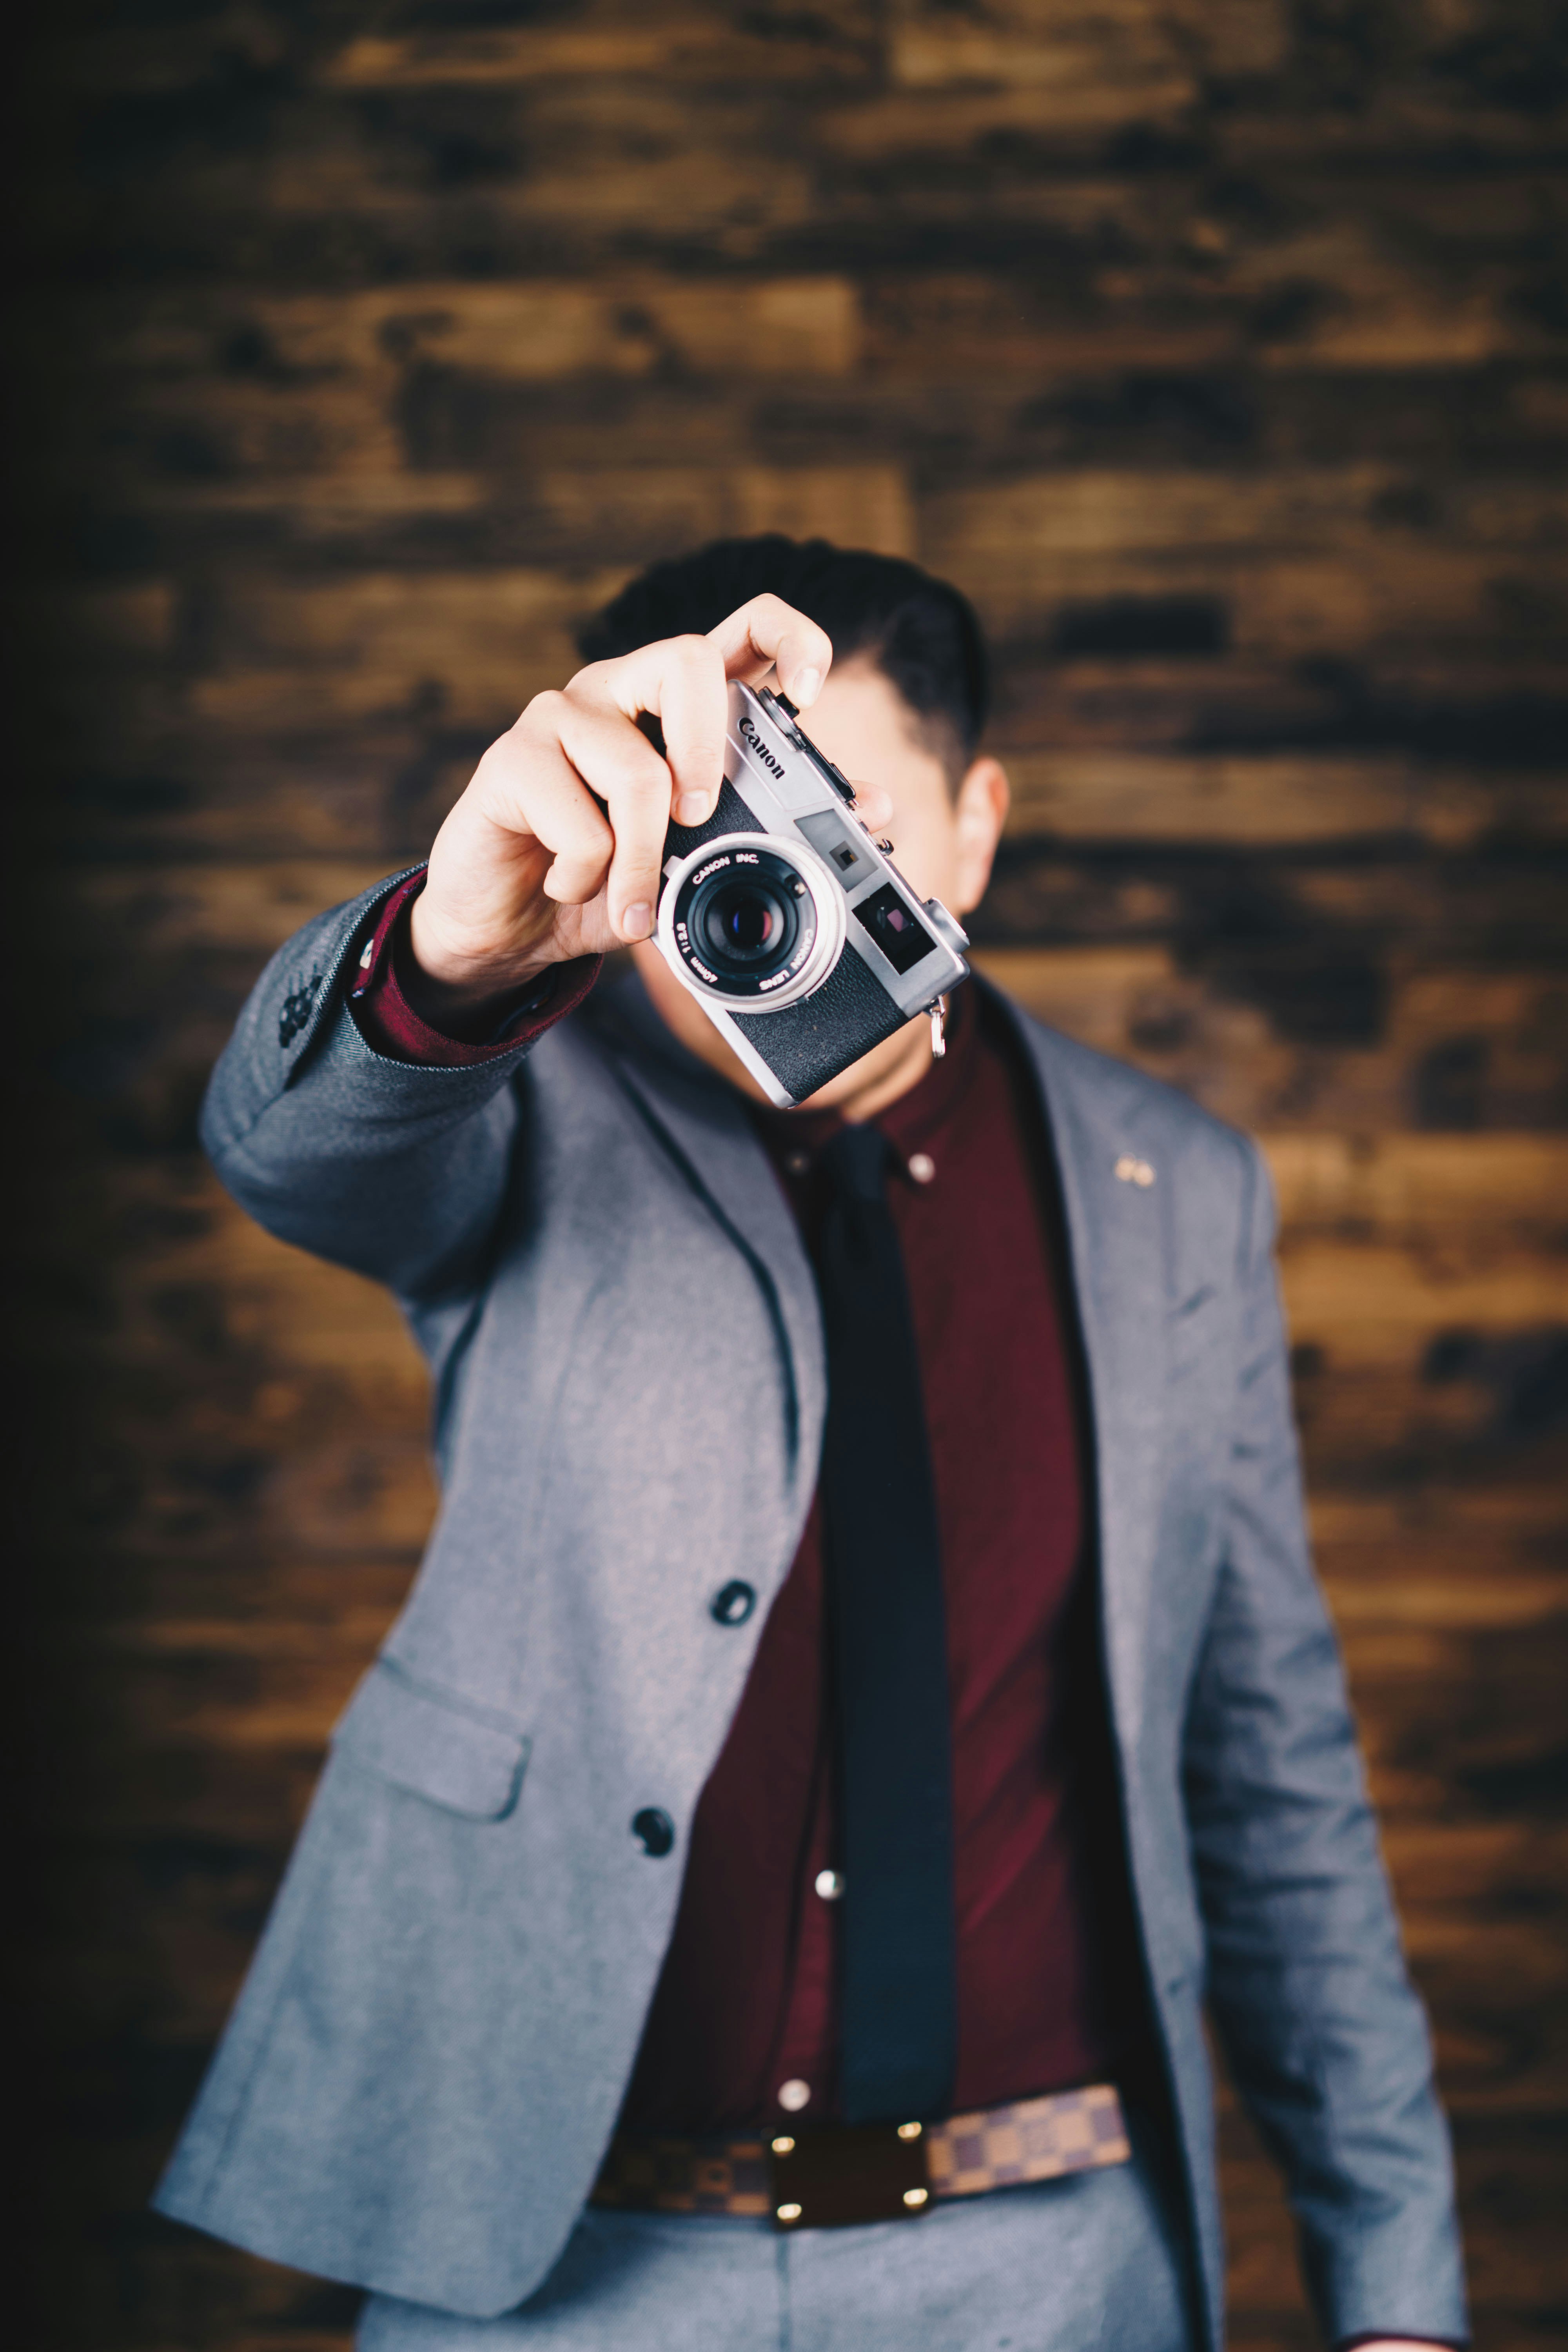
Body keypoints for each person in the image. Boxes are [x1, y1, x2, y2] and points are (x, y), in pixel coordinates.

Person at [155, 539, 1468, 2352]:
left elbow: (1270, 1759)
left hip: (1047, 2254)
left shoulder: (1172, 1189)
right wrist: (452, 957)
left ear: (978, 825)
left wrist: (1396, 2291)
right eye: (729, 854)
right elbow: (292, 1154)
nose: (785, 902)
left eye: (848, 827)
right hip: (564, 2260)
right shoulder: (521, 1085)